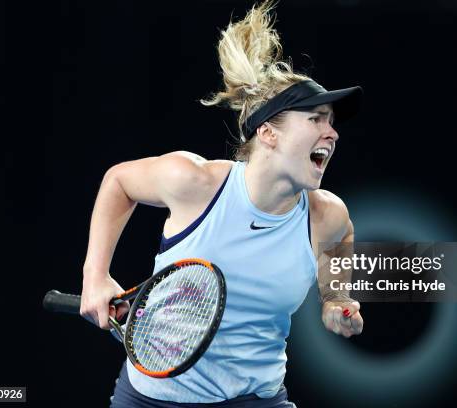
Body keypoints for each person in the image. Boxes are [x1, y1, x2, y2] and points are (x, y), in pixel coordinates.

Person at [80, 1, 363, 406]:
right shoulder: (194, 181)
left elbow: (343, 237)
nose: (331, 132)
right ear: (268, 133)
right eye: (316, 119)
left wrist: (335, 297)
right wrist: (95, 275)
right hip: (150, 398)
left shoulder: (327, 216)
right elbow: (118, 181)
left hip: (255, 398)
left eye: (331, 121)